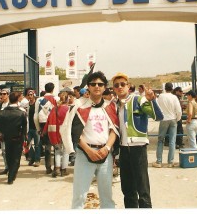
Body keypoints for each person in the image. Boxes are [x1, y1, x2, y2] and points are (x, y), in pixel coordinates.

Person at [60, 71, 119, 209]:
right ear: (88, 87)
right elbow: (74, 131)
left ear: (105, 87)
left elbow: (114, 130)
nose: (97, 86)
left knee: (107, 198)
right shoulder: (79, 105)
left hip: (105, 154)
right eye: (93, 84)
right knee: (79, 197)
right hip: (84, 155)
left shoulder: (110, 106)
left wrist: (107, 148)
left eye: (100, 84)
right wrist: (88, 150)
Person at [111, 72, 163, 208]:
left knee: (142, 187)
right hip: (123, 149)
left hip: (138, 148)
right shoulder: (115, 105)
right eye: (116, 85)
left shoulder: (138, 100)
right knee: (127, 188)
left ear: (128, 86)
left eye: (123, 84)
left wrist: (152, 100)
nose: (120, 87)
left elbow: (158, 116)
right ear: (113, 88)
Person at [0, 91, 27, 184]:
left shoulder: (2, 112)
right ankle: (11, 176)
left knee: (8, 156)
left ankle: (10, 173)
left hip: (6, 137)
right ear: (18, 99)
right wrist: (24, 138)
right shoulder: (22, 112)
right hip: (18, 138)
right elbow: (24, 127)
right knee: (16, 158)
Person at [153, 82, 182, 168]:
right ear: (172, 88)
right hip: (173, 119)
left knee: (160, 140)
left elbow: (157, 107)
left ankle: (159, 161)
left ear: (165, 88)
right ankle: (170, 162)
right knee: (172, 141)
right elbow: (179, 110)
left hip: (164, 119)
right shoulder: (174, 97)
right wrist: (178, 119)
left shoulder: (161, 96)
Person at [34, 82, 58, 174]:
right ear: (53, 89)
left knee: (47, 147)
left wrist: (38, 128)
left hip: (43, 123)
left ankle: (48, 167)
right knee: (56, 146)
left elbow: (35, 116)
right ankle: (57, 166)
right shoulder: (57, 99)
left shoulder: (39, 100)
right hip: (54, 124)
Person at [26, 89, 41, 167]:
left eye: (31, 95)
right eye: (28, 95)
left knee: (37, 145)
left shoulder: (37, 104)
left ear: (34, 95)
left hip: (36, 128)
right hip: (29, 128)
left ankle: (37, 160)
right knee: (27, 143)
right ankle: (32, 157)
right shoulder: (27, 105)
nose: (30, 96)